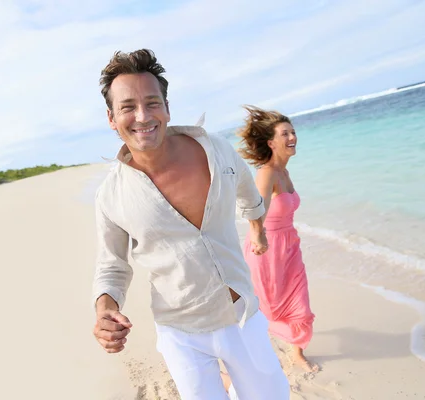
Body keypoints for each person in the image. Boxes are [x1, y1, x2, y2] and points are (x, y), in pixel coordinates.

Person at [92, 49, 290, 399]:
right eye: (127, 107)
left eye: (152, 103)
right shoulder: (111, 196)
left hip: (242, 317)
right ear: (111, 118)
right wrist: (106, 309)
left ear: (166, 108)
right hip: (181, 333)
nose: (142, 116)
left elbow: (248, 193)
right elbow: (112, 266)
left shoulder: (215, 150)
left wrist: (257, 227)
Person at [237, 106, 318, 373]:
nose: (292, 136)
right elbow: (253, 206)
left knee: (300, 302)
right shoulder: (268, 173)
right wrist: (258, 235)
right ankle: (244, 346)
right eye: (285, 133)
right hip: (266, 251)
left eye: (293, 131)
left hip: (290, 247)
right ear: (272, 142)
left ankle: (297, 353)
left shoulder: (284, 171)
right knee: (268, 307)